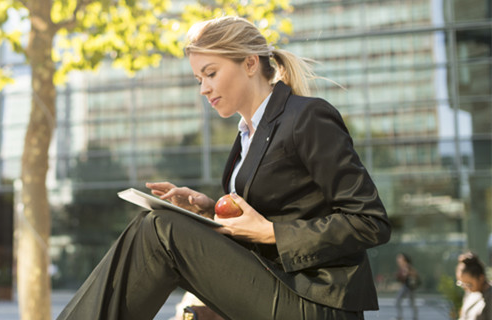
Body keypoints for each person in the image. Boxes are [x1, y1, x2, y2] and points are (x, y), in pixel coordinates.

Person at [56, 16, 391, 320]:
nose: (204, 88)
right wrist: (206, 210)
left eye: (211, 73)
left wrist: (272, 233)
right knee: (153, 223)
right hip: (275, 282)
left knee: (159, 229)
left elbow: (370, 222)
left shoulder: (306, 117)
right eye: (199, 78)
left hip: (316, 300)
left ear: (249, 63)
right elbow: (268, 211)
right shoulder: (246, 134)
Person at [456, 252, 492, 320]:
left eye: (469, 284)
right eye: (462, 284)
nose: (466, 288)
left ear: (481, 278)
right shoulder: (470, 293)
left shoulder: (490, 296)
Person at [395, 253, 418, 320]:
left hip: (410, 287)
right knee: (398, 301)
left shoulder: (407, 267)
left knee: (412, 303)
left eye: (400, 258)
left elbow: (413, 275)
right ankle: (400, 317)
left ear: (404, 259)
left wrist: (407, 274)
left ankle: (415, 317)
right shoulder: (402, 267)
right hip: (405, 286)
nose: (398, 259)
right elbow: (400, 278)